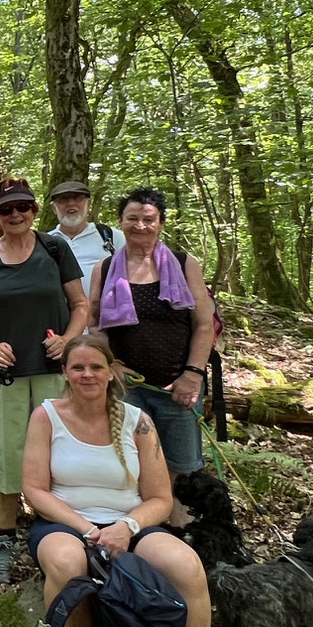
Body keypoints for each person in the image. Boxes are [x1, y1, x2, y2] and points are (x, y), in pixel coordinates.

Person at [24, 334, 233, 627]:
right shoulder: (47, 416)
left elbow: (160, 498)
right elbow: (35, 490)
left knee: (187, 565)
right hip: (65, 522)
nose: (87, 375)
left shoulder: (136, 420)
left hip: (129, 523)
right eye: (78, 367)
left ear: (110, 371)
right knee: (68, 566)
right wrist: (86, 528)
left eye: (96, 367)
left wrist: (125, 526)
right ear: (65, 372)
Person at [0, 177, 90, 584]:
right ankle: (5, 538)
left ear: (35, 212)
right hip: (4, 374)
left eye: (23, 208)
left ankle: (58, 532)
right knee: (5, 456)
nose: (15, 215)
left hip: (53, 371)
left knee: (60, 455)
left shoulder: (55, 249)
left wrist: (69, 340)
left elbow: (81, 304)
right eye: (5, 210)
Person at [89, 188, 216, 477]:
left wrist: (192, 374)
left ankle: (179, 521)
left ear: (160, 223)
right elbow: (95, 324)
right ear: (120, 222)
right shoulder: (105, 268)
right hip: (127, 386)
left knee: (182, 468)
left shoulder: (185, 264)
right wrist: (112, 365)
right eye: (132, 218)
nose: (140, 226)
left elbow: (204, 325)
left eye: (148, 219)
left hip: (177, 386)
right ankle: (140, 521)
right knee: (128, 461)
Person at [47, 178, 119, 277]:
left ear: (88, 204)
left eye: (77, 198)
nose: (71, 203)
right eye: (63, 199)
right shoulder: (45, 241)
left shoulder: (110, 235)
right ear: (54, 208)